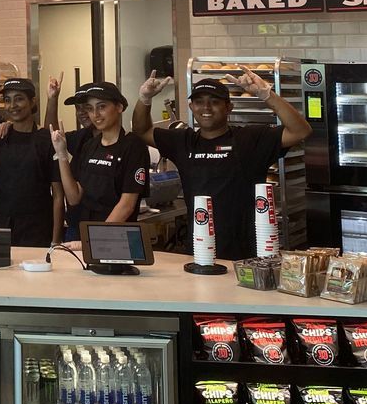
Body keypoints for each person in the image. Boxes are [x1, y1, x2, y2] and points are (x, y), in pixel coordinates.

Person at [133, 67, 312, 260]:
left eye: (214, 102)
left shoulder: (249, 139)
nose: (206, 108)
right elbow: (141, 131)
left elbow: (300, 131)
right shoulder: (182, 142)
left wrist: (267, 95)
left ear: (229, 107)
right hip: (200, 250)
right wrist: (145, 99)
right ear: (192, 107)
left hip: (245, 253)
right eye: (199, 102)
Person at [0, 77, 69, 247]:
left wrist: (56, 240)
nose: (12, 105)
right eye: (7, 100)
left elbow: (58, 195)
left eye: (19, 98)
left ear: (32, 102)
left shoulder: (46, 141)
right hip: (3, 227)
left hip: (38, 229)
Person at [55, 82, 151, 227]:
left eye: (102, 107)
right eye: (90, 109)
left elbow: (127, 205)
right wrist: (62, 155)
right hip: (87, 233)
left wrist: (96, 238)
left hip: (117, 236)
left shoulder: (133, 146)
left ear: (119, 107)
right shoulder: (90, 146)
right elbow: (74, 197)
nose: (95, 114)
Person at [43, 74, 98, 242]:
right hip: (76, 225)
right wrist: (53, 99)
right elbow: (50, 135)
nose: (82, 113)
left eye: (86, 107)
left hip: (107, 226)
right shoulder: (80, 138)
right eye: (78, 108)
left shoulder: (120, 143)